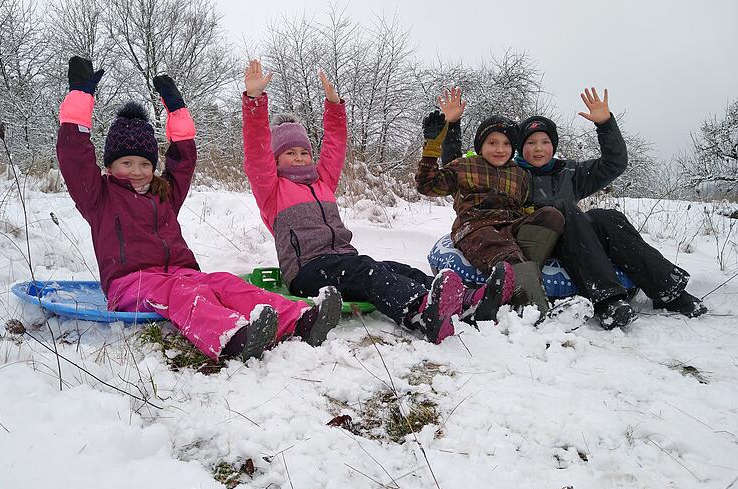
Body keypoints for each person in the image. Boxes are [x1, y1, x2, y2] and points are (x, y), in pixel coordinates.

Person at [56, 56, 341, 363]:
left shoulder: (163, 194)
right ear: (109, 166)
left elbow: (184, 159)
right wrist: (80, 97)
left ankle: (300, 319)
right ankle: (233, 338)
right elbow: (75, 156)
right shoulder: (99, 197)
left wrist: (177, 111)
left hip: (183, 274)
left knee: (225, 283)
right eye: (127, 163)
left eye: (145, 164)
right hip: (132, 285)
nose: (137, 171)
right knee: (182, 293)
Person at [241, 60, 514, 344]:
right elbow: (255, 150)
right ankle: (420, 312)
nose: (299, 158)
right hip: (307, 272)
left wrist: (334, 108)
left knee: (398, 269)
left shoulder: (321, 182)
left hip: (343, 260)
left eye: (304, 152)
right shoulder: (271, 189)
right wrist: (254, 101)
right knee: (366, 270)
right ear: (274, 159)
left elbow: (334, 147)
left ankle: (467, 301)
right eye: (290, 153)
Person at [512, 88, 706, 328]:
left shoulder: (569, 172)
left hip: (576, 240)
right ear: (521, 147)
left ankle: (669, 292)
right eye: (531, 142)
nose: (539, 148)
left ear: (553, 146)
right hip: (540, 239)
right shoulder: (511, 175)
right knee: (564, 209)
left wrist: (605, 125)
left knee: (606, 217)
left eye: (545, 142)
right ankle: (607, 300)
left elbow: (614, 164)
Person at [417, 87, 563, 317]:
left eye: (506, 144)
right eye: (493, 143)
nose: (500, 149)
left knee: (552, 215)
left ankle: (519, 279)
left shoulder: (519, 174)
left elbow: (523, 206)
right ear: (481, 145)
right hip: (476, 227)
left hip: (510, 227)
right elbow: (427, 186)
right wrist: (432, 147)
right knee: (506, 251)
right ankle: (535, 310)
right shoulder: (464, 166)